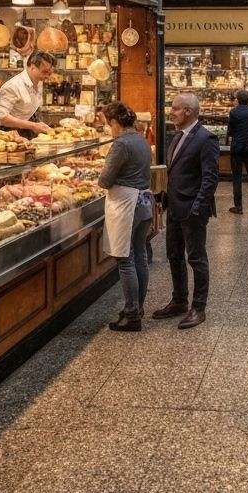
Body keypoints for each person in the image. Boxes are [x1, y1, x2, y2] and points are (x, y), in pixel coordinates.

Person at [152, 93, 220, 329]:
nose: (172, 112)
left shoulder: (206, 138)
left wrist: (197, 207)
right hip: (174, 207)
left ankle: (198, 307)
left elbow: (210, 178)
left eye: (176, 109)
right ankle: (179, 300)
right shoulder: (177, 136)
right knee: (174, 255)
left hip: (192, 209)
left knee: (196, 258)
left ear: (189, 111)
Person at [98, 101, 153, 332]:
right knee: (139, 255)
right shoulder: (140, 139)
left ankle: (132, 315)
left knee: (125, 259)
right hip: (144, 203)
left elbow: (104, 180)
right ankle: (137, 307)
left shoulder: (120, 144)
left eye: (107, 124)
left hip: (126, 204)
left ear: (114, 122)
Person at [0, 50, 56, 137]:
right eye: (44, 72)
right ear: (32, 67)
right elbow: (1, 117)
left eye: (49, 73)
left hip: (26, 130)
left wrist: (38, 124)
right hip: (8, 133)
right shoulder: (13, 86)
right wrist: (33, 125)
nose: (47, 77)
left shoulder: (39, 82)